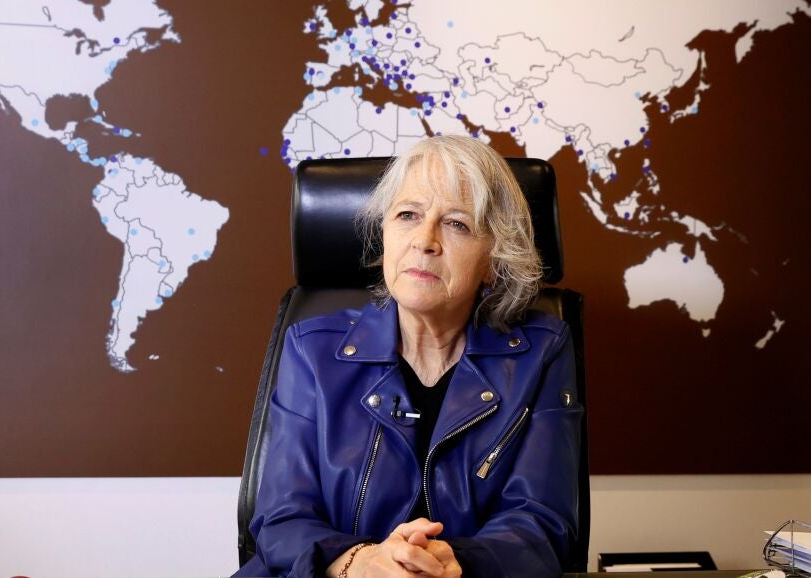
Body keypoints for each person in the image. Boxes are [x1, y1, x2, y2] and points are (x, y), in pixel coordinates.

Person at [236, 135, 582, 578]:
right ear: (384, 235)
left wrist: (450, 561)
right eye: (408, 215)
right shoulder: (312, 347)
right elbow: (281, 519)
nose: (425, 240)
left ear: (494, 258)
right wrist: (361, 564)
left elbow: (542, 522)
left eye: (456, 224)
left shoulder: (542, 353)